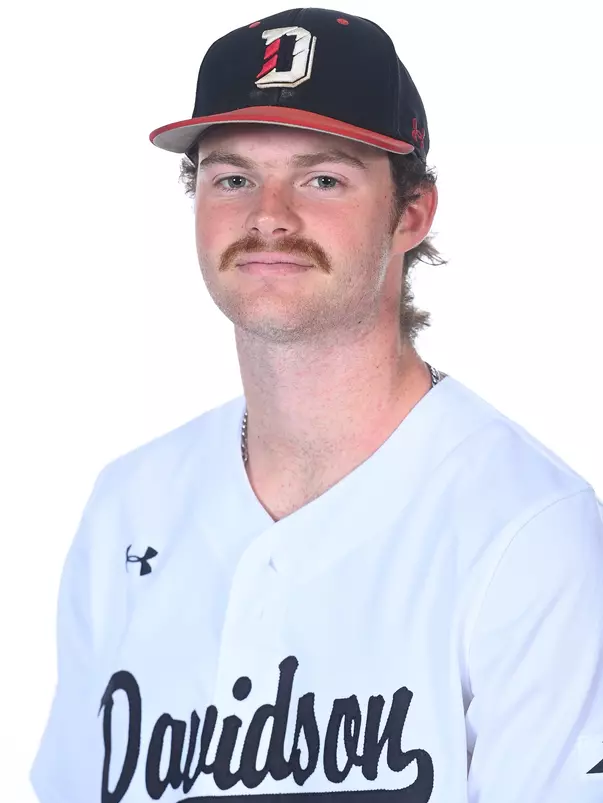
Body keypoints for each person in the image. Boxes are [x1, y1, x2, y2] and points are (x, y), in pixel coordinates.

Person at [30, 7, 603, 803]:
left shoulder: (529, 529)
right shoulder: (128, 505)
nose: (268, 213)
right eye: (232, 177)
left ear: (410, 213)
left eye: (321, 178)